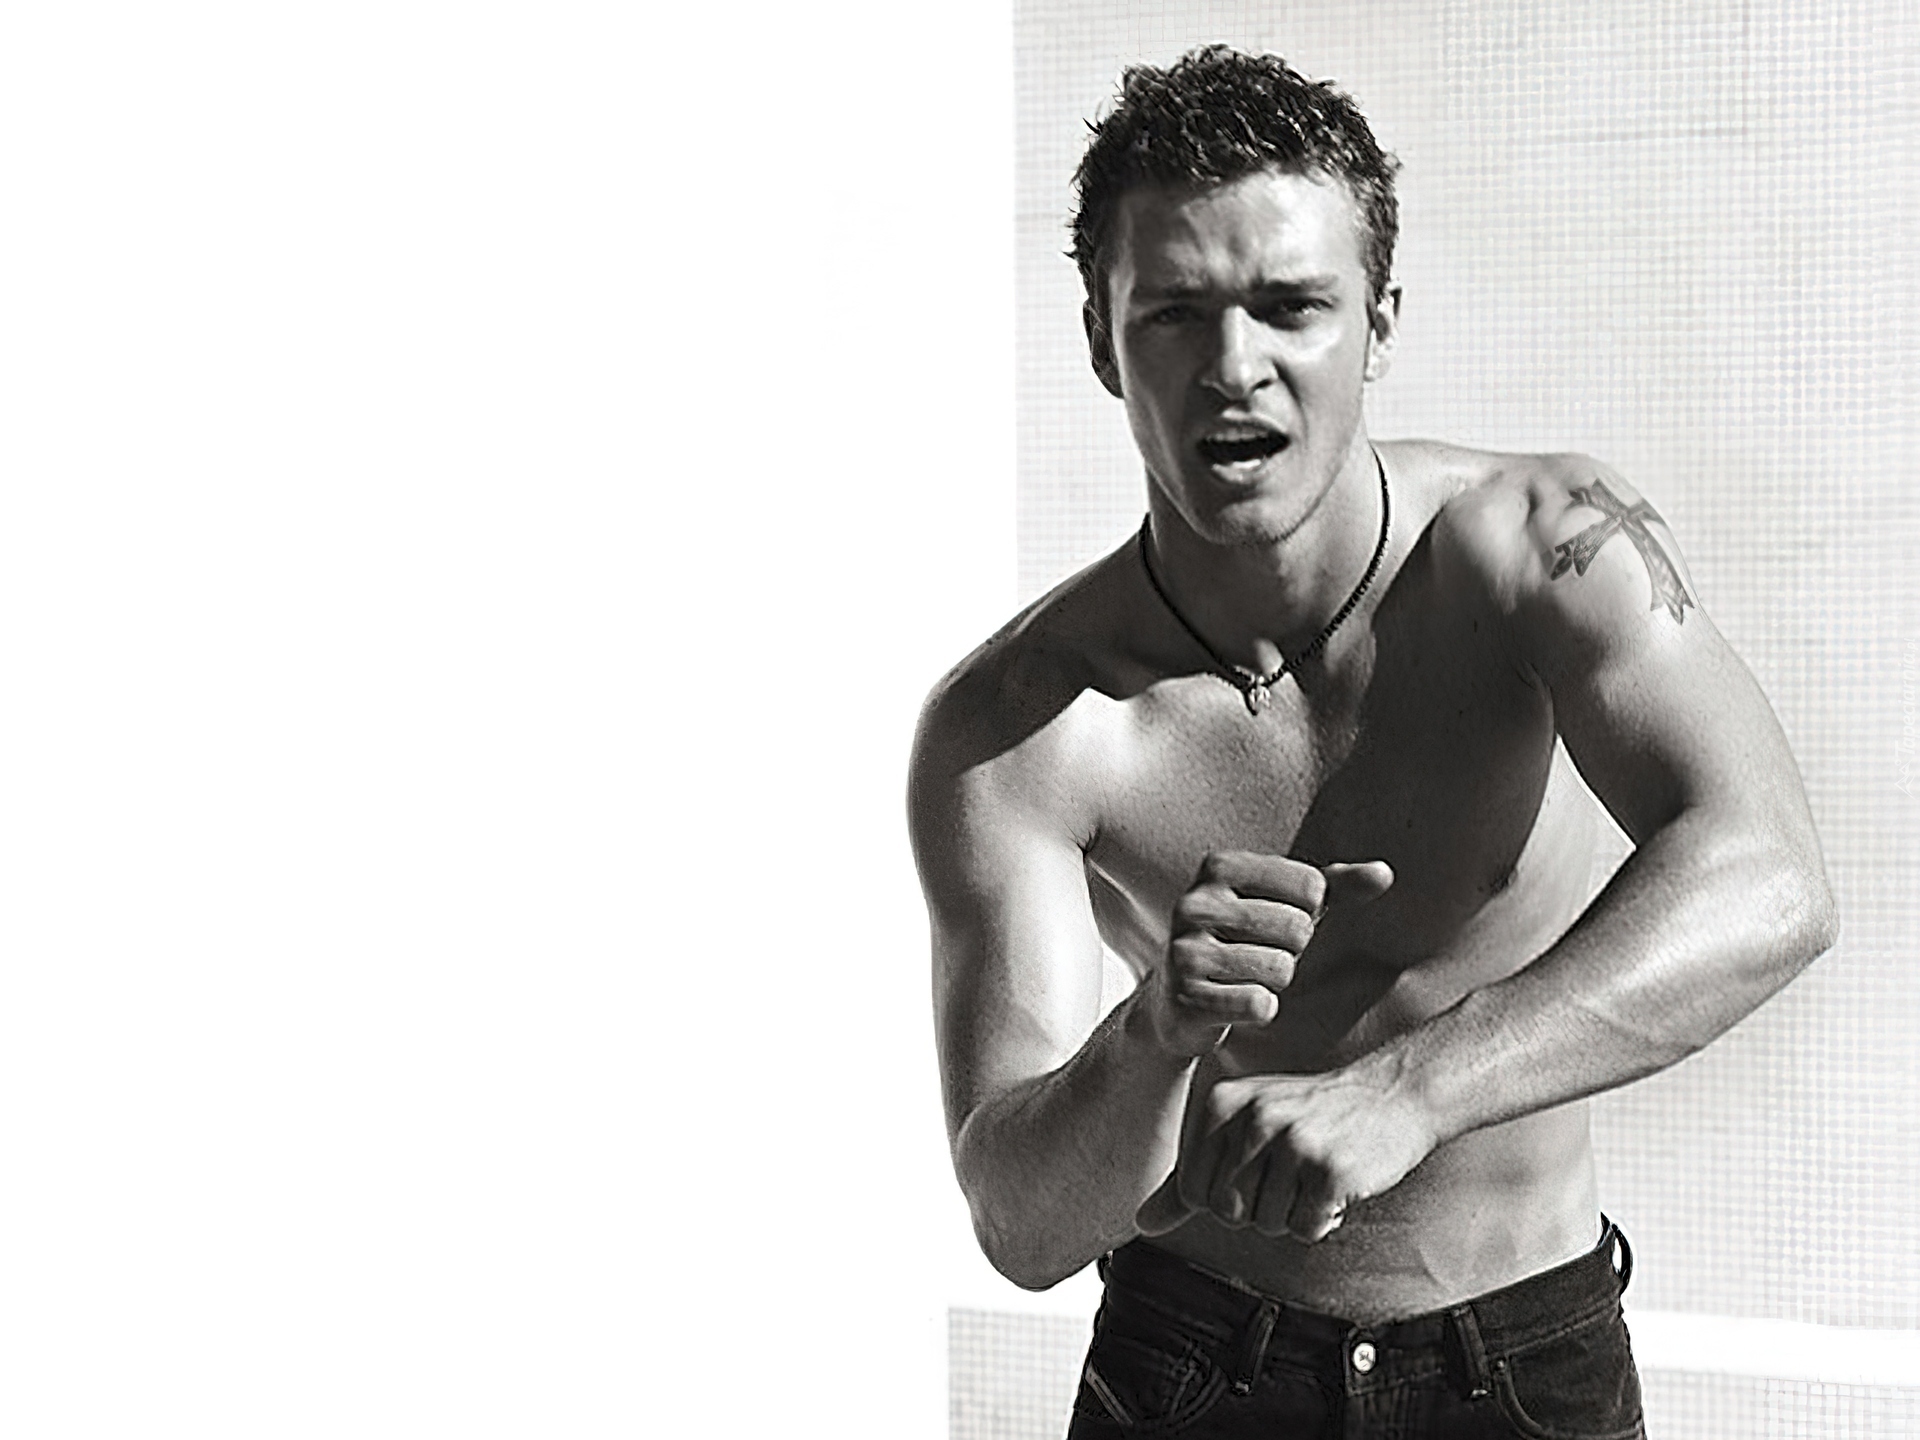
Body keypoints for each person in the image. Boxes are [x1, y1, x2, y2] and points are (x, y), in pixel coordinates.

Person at [908, 44, 1835, 1440]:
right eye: (1174, 313)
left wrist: (1411, 1090)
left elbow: (1772, 877)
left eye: (1292, 307)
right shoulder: (1025, 728)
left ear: (1379, 324)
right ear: (1102, 340)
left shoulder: (1542, 551)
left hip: (1522, 1362)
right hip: (1195, 1368)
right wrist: (1155, 1034)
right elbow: (1024, 1226)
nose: (1236, 369)